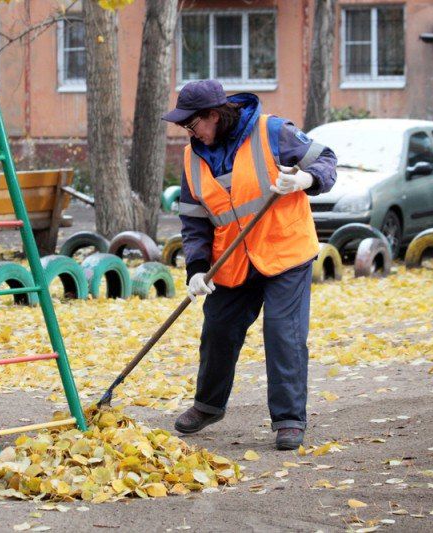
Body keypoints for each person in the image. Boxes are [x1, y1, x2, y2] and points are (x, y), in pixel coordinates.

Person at [161, 79, 337, 450]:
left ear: (213, 115)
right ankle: (208, 406)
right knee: (218, 330)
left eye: (192, 125)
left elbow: (326, 160)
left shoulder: (271, 131)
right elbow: (194, 220)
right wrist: (195, 268)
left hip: (284, 250)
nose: (189, 134)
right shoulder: (194, 157)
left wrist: (305, 179)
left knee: (282, 332)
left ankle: (289, 419)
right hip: (233, 259)